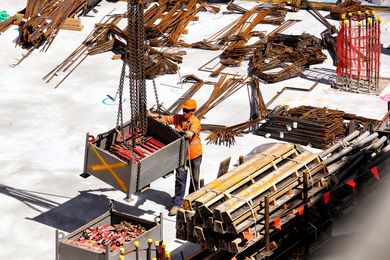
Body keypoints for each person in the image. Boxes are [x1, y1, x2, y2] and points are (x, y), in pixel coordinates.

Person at [151, 99, 202, 216]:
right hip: (181, 156)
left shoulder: (195, 122)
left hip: (194, 155)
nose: (185, 113)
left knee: (194, 179)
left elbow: (191, 132)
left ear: (193, 111)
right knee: (180, 179)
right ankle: (177, 203)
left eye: (188, 111)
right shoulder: (178, 118)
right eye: (184, 110)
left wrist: (184, 132)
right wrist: (155, 117)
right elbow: (167, 119)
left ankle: (191, 201)